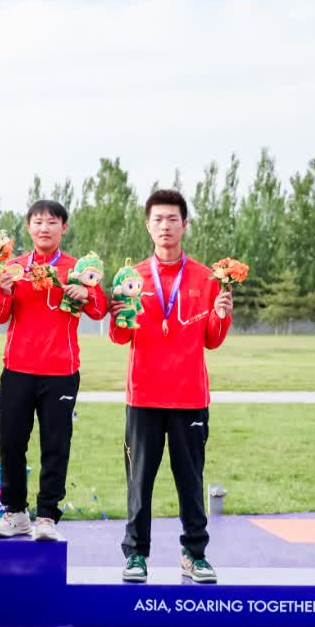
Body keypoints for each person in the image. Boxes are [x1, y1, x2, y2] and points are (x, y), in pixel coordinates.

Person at [110, 189, 233, 584]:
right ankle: (136, 554)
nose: (165, 226)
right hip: (144, 396)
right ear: (148, 226)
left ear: (185, 225)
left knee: (190, 481)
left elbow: (212, 339)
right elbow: (119, 336)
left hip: (189, 397)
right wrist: (117, 314)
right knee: (139, 482)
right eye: (158, 219)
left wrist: (221, 316)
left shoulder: (205, 278)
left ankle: (194, 554)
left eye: (172, 219)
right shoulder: (131, 277)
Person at [0, 200, 107, 541]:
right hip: (18, 369)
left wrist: (87, 293)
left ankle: (47, 516)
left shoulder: (78, 268)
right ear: (28, 227)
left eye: (52, 222)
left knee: (56, 444)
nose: (44, 228)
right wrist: (4, 291)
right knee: (11, 441)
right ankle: (15, 513)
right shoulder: (12, 268)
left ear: (63, 228)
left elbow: (100, 310)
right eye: (38, 222)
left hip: (61, 372)